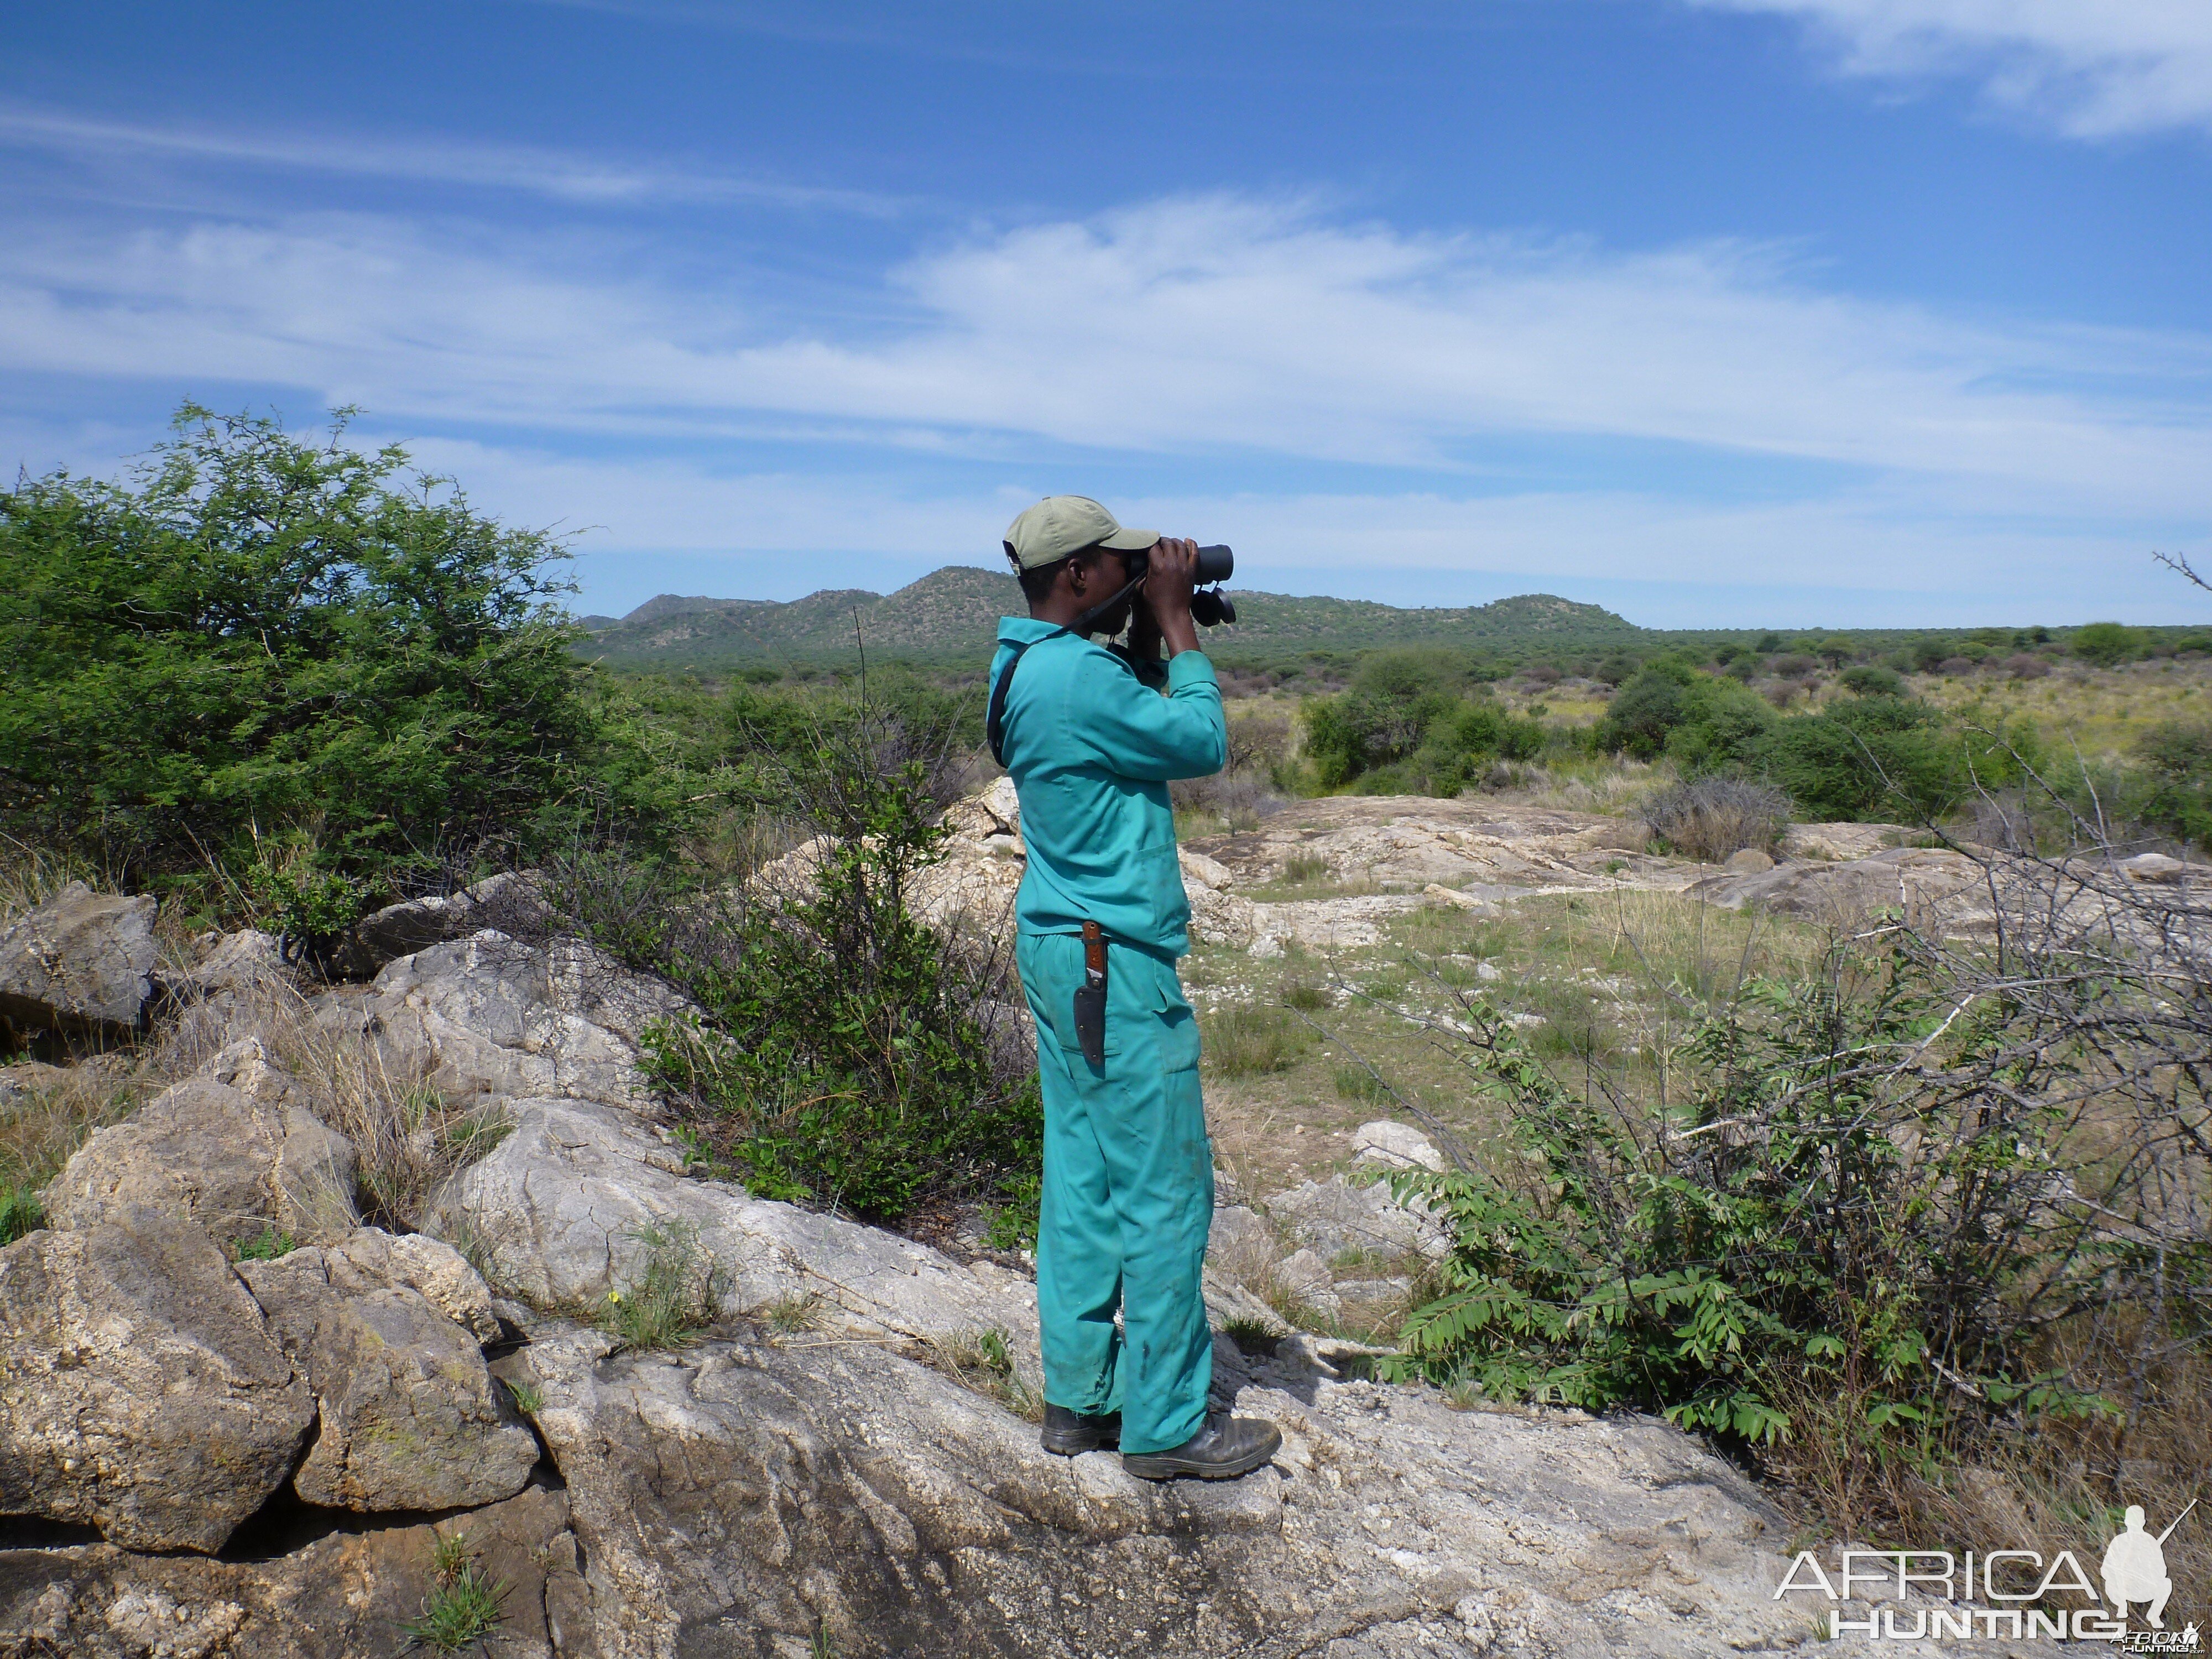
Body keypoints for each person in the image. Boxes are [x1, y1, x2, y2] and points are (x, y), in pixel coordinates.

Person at [990, 494, 1282, 1481]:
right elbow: (1199, 744)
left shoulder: (1026, 665)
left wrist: (1143, 641)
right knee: (1163, 1190)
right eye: (1116, 566)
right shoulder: (1076, 675)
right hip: (1115, 965)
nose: (1131, 574)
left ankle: (1082, 1397)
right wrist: (1178, 624)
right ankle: (1166, 1427)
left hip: (1062, 951)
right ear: (1078, 576)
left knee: (1083, 1177)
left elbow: (1117, 740)